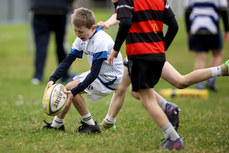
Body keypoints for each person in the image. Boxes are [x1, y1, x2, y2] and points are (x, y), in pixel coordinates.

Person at [99, 0, 229, 135]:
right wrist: (108, 23)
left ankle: (172, 134)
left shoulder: (128, 1)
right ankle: (222, 69)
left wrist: (115, 49)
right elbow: (122, 14)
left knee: (143, 94)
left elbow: (125, 19)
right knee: (135, 88)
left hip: (141, 54)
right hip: (153, 52)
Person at [107, 0, 185, 150]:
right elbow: (174, 26)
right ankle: (168, 109)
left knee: (147, 99)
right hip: (157, 56)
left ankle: (173, 139)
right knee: (137, 92)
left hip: (140, 55)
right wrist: (161, 48)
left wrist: (116, 49)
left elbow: (125, 23)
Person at [41, 7, 124, 134]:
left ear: (93, 28)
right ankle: (57, 124)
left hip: (109, 78)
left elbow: (94, 73)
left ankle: (90, 125)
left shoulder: (100, 40)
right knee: (69, 88)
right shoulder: (82, 37)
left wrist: (75, 90)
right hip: (99, 74)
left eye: (80, 32)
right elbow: (68, 60)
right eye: (75, 30)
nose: (78, 35)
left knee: (72, 89)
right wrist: (52, 79)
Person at [184, 0, 229, 91]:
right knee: (217, 54)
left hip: (196, 28)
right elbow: (224, 10)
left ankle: (198, 84)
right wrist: (226, 30)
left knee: (200, 57)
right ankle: (211, 79)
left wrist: (188, 31)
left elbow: (187, 12)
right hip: (212, 28)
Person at [30, 0, 76, 85]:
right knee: (61, 44)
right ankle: (65, 75)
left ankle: (37, 76)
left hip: (39, 8)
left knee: (41, 45)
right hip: (59, 8)